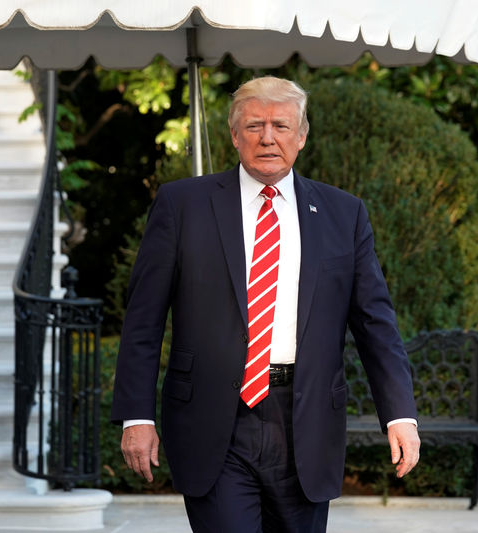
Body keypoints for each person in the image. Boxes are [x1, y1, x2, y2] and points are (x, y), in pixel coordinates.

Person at [110, 75, 420, 532]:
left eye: (280, 125)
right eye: (254, 126)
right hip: (214, 421)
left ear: (302, 135)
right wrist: (136, 416)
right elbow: (143, 320)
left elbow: (376, 324)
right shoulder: (183, 205)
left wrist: (400, 414)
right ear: (235, 136)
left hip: (306, 421)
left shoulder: (343, 213)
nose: (268, 137)